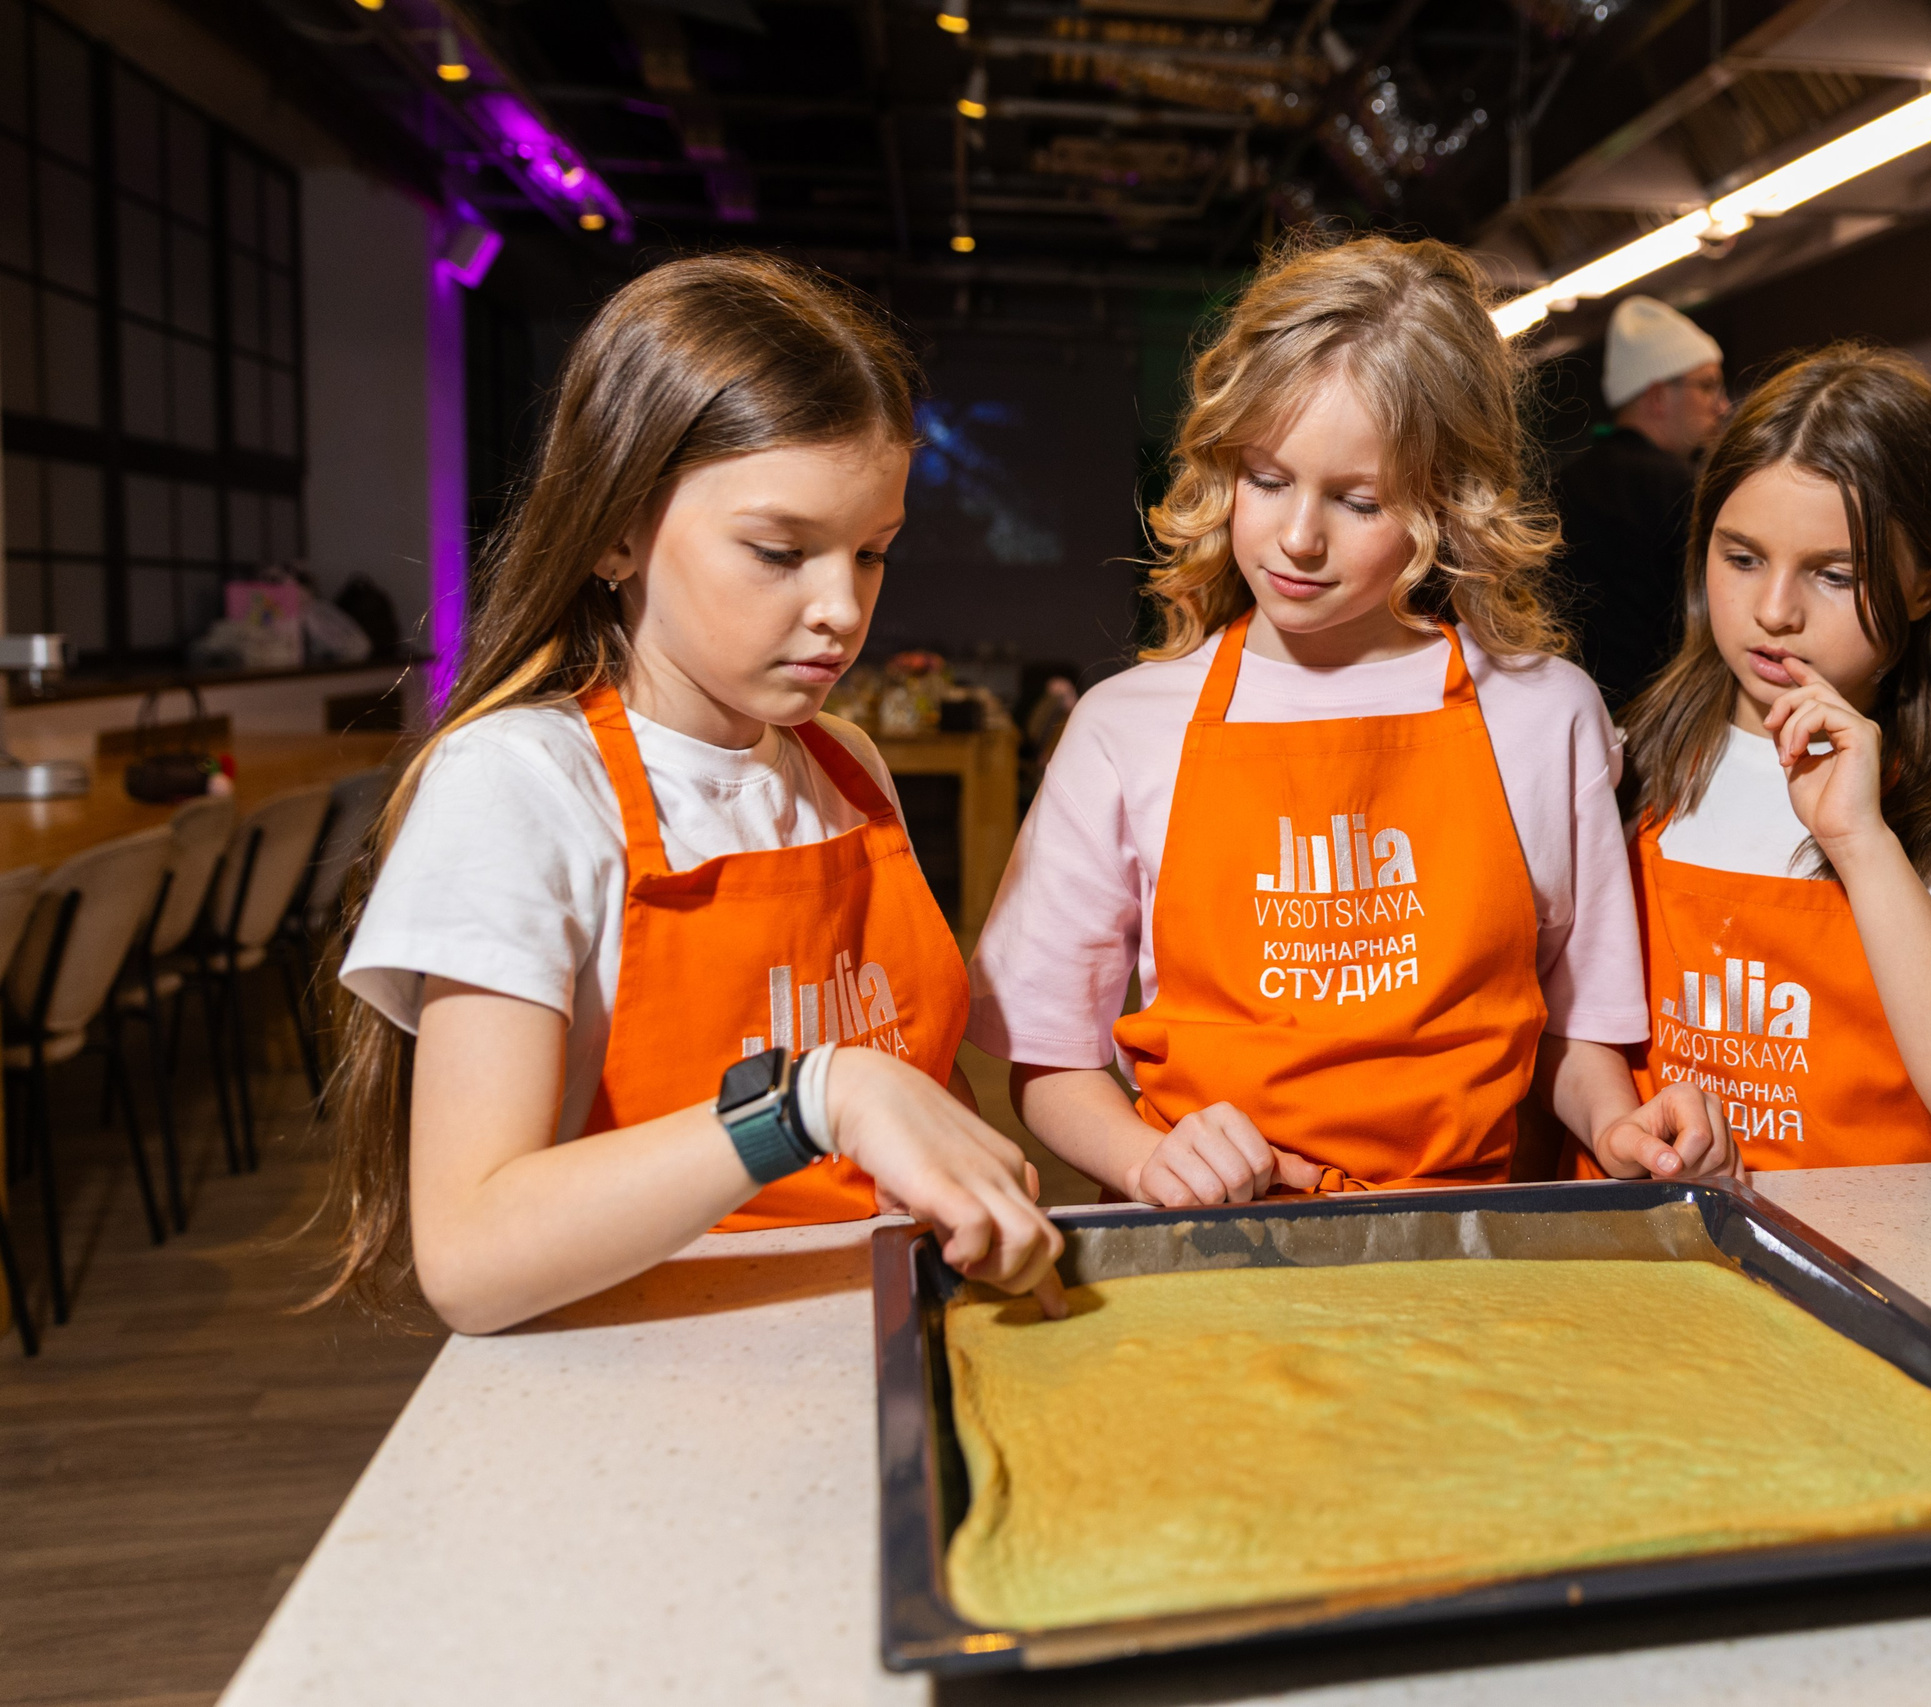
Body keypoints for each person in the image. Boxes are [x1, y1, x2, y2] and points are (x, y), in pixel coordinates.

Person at [316, 254, 1061, 1333]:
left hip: (886, 1342)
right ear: (617, 530)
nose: (839, 610)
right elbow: (472, 1256)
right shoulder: (520, 787)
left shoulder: (846, 766)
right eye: (779, 551)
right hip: (653, 1370)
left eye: (871, 554)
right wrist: (806, 1103)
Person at [967, 235, 1731, 1208]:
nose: (1295, 538)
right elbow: (1048, 1058)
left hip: (1474, 1246)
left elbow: (1577, 1035)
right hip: (1215, 1254)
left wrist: (1618, 1124)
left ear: (1445, 504)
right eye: (1266, 479)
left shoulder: (1546, 715)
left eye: (1357, 501)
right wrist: (1146, 1160)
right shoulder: (1127, 730)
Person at [1602, 344, 1931, 1190]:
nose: (1773, 612)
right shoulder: (1633, 759)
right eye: (1742, 557)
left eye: (1834, 574)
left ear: (1928, 585)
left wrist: (1863, 842)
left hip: (1870, 1275)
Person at [1549, 295, 1732, 711]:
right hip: (1664, 714)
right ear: (1656, 397)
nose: (1721, 406)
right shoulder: (1681, 487)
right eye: (1706, 386)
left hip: (1579, 711)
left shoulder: (1562, 486)